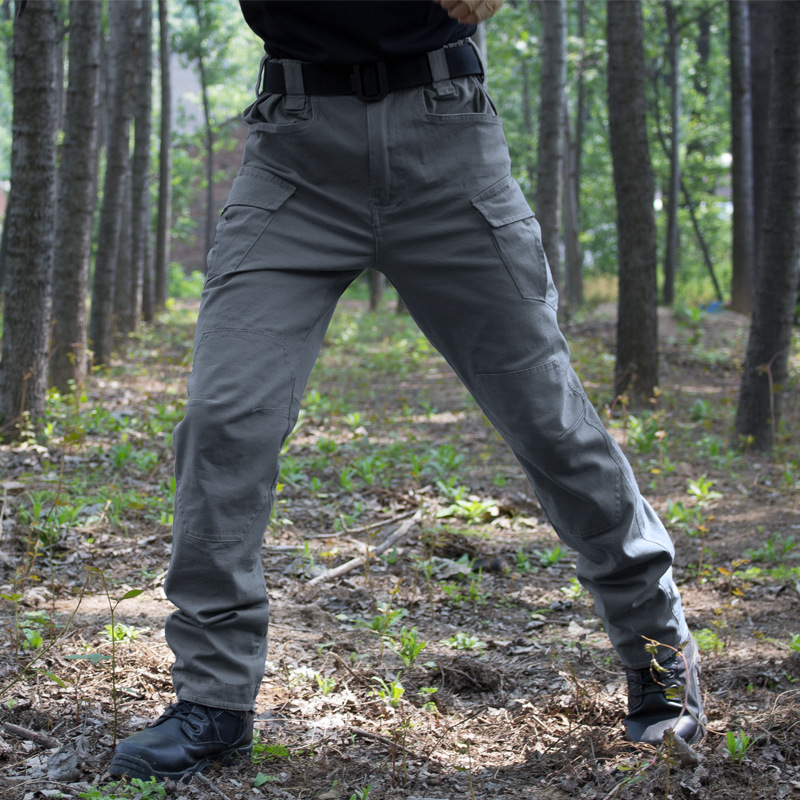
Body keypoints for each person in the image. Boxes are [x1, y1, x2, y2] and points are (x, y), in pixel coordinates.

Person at [109, 0, 706, 782]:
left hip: (446, 139)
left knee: (551, 422)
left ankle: (660, 663)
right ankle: (214, 701)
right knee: (225, 418)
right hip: (295, 154)